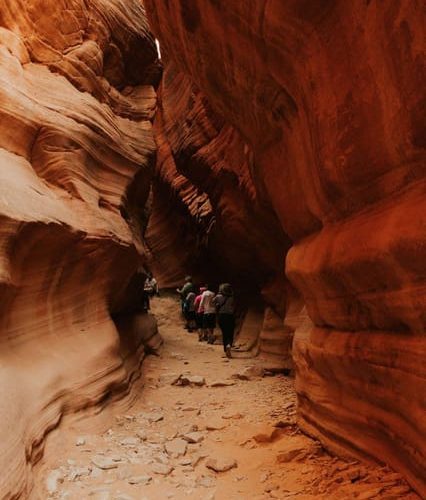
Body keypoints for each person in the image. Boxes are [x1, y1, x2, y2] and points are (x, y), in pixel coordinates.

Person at [214, 283, 235, 358]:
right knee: (230, 332)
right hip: (230, 316)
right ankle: (229, 344)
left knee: (225, 332)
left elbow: (213, 302)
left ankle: (226, 347)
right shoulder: (232, 297)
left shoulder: (218, 297)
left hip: (221, 316)